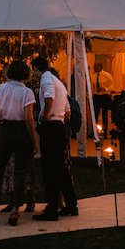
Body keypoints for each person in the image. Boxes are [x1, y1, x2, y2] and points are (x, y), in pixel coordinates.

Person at [0, 60, 39, 226]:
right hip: (21, 131)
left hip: (4, 128)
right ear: (26, 74)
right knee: (20, 171)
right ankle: (15, 212)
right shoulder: (28, 92)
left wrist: (0, 116)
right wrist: (34, 141)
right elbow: (28, 118)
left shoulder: (2, 88)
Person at [31, 55, 79, 221]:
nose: (34, 75)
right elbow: (68, 111)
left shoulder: (46, 79)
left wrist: (45, 115)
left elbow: (49, 97)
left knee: (50, 169)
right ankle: (71, 205)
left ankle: (52, 209)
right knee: (62, 168)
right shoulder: (59, 82)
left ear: (36, 68)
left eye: (34, 72)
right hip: (60, 126)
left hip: (50, 126)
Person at [92, 61, 115, 133]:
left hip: (104, 96)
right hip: (96, 96)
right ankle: (94, 130)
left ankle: (105, 131)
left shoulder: (107, 75)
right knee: (95, 114)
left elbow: (112, 87)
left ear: (100, 66)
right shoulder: (93, 76)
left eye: (95, 66)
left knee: (104, 114)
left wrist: (105, 89)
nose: (94, 68)